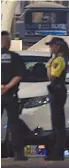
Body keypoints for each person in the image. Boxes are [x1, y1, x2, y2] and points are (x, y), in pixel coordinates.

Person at [1, 31, 27, 160]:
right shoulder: (15, 57)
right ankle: (18, 154)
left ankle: (18, 153)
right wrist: (7, 87)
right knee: (14, 124)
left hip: (5, 93)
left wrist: (2, 86)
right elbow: (18, 75)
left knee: (14, 124)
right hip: (10, 95)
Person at [45, 37, 69, 161]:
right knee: (57, 123)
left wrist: (48, 67)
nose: (50, 48)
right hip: (58, 91)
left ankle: (57, 152)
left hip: (57, 91)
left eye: (52, 46)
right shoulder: (60, 59)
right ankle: (57, 152)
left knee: (58, 123)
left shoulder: (58, 60)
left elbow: (53, 77)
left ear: (58, 46)